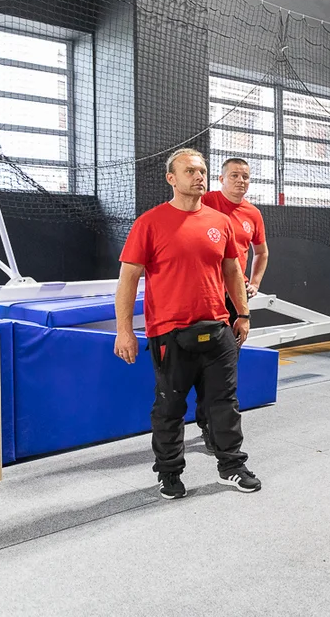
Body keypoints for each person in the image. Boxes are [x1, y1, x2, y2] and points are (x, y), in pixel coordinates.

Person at [113, 148, 260, 500]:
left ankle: (231, 467)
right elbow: (128, 278)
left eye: (203, 171)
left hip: (218, 328)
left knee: (224, 402)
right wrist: (124, 330)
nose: (199, 176)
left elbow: (233, 271)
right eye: (191, 171)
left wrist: (242, 314)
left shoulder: (219, 222)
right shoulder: (149, 223)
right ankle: (169, 474)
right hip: (169, 333)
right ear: (171, 178)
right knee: (169, 407)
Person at [196, 157, 268, 454]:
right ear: (221, 178)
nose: (241, 181)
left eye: (246, 177)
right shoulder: (206, 200)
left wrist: (254, 283)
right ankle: (205, 421)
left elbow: (262, 253)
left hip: (233, 297)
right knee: (200, 363)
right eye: (235, 176)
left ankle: (215, 426)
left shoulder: (252, 213)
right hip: (202, 293)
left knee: (225, 366)